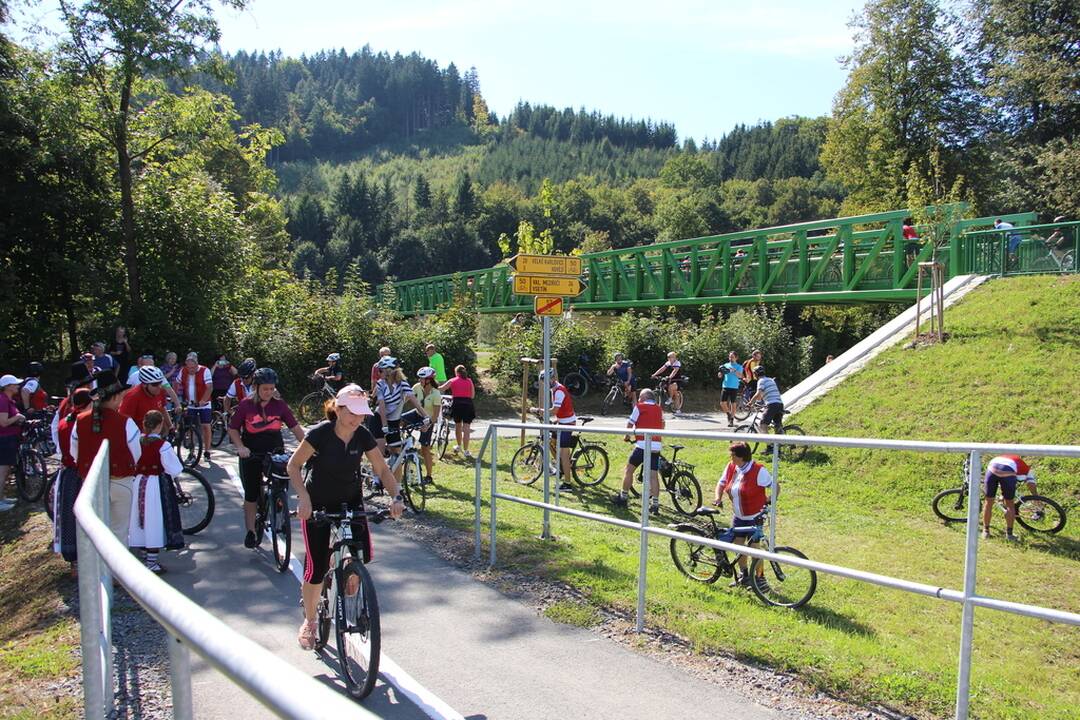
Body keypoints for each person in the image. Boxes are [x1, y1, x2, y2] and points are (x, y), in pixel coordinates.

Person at [287, 385, 405, 650]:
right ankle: (309, 620)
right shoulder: (320, 434)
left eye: (361, 413)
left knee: (358, 565)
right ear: (338, 409)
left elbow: (383, 470)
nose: (356, 419)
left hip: (349, 500)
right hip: (317, 503)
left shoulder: (362, 435)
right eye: (351, 412)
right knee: (316, 569)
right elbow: (293, 465)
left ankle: (348, 567)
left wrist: (396, 497)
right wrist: (303, 498)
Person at [228, 367, 305, 549]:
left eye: (271, 389)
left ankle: (279, 505)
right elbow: (233, 428)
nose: (269, 392)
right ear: (256, 387)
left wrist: (307, 447)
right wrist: (240, 447)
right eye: (265, 389)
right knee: (252, 493)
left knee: (281, 483)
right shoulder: (246, 405)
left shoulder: (279, 405)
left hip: (274, 450)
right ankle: (250, 531)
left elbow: (295, 427)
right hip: (252, 451)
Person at [71, 370, 142, 544]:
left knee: (94, 533)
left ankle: (96, 570)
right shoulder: (126, 422)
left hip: (91, 483)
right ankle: (117, 570)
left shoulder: (80, 421)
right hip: (120, 481)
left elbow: (75, 453)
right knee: (119, 531)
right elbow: (136, 453)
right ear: (117, 396)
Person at [129, 410, 185, 573]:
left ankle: (143, 552)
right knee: (154, 519)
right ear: (160, 425)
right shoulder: (163, 446)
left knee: (139, 517)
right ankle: (151, 562)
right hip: (155, 485)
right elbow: (174, 468)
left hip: (138, 482)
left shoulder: (137, 441)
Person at [713, 441, 775, 588]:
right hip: (739, 516)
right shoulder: (731, 467)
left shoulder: (758, 470)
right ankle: (744, 575)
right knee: (739, 547)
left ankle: (760, 579)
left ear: (741, 457)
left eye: (732, 455)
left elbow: (775, 486)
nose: (730, 457)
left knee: (754, 549)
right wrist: (718, 497)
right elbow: (721, 483)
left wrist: (769, 501)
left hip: (754, 517)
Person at [53, 388, 93, 571]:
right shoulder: (84, 422)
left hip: (69, 473)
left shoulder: (63, 421)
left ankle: (74, 563)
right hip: (82, 472)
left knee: (70, 516)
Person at [611, 388, 664, 513]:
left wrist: (627, 436)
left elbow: (630, 424)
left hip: (642, 445)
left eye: (640, 397)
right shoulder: (659, 408)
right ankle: (655, 505)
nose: (639, 399)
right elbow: (662, 424)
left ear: (644, 398)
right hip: (655, 446)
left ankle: (623, 497)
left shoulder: (639, 407)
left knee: (629, 470)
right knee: (653, 475)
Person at [374, 359, 429, 475]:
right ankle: (376, 479)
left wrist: (425, 416)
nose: (379, 373)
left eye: (380, 371)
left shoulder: (402, 383)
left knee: (397, 452)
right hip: (379, 418)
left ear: (389, 371)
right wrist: (384, 425)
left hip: (393, 419)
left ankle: (398, 487)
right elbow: (382, 406)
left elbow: (414, 400)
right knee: (379, 451)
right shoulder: (380, 384)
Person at [530, 370, 576, 491]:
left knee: (564, 454)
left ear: (552, 378)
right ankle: (561, 468)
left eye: (546, 380)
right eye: (543, 381)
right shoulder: (554, 389)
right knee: (549, 440)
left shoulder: (559, 391)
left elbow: (554, 410)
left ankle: (567, 483)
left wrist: (539, 410)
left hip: (567, 424)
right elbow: (558, 411)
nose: (545, 383)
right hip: (562, 421)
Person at [981, 455, 1037, 541]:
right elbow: (1031, 484)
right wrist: (1036, 498)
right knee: (1010, 504)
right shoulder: (1026, 468)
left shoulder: (1007, 456)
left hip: (992, 467)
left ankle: (986, 531)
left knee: (988, 502)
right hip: (1008, 472)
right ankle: (1009, 534)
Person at [178, 352, 213, 463]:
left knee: (206, 426)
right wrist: (177, 396)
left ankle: (207, 451)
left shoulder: (205, 370)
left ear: (197, 365)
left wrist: (203, 400)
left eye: (193, 367)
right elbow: (177, 382)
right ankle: (192, 452)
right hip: (190, 404)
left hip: (204, 404)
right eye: (189, 368)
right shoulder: (183, 371)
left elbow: (209, 387)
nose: (191, 370)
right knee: (190, 428)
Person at [0, 374, 27, 512]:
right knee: (2, 471)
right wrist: (17, 417)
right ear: (8, 386)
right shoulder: (3, 401)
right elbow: (3, 422)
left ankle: (2, 497)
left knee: (6, 470)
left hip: (10, 438)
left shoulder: (9, 400)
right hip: (5, 439)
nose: (18, 386)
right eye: (15, 384)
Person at [119, 365, 174, 432]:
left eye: (160, 383)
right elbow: (123, 422)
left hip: (156, 433)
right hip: (139, 436)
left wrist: (171, 427)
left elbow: (162, 408)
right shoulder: (132, 397)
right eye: (155, 384)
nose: (159, 386)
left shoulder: (160, 391)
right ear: (144, 384)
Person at [412, 367, 442, 485]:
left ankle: (429, 476)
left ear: (429, 380)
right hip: (416, 414)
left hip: (428, 420)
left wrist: (428, 426)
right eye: (419, 378)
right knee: (399, 420)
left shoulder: (435, 393)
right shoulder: (416, 387)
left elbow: (435, 415)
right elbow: (404, 399)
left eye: (422, 378)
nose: (420, 380)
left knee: (425, 450)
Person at [438, 365, 475, 459]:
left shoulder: (453, 380)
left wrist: (432, 386)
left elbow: (442, 389)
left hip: (457, 404)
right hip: (468, 404)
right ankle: (466, 450)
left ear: (456, 372)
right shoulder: (469, 381)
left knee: (458, 425)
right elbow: (472, 395)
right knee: (466, 428)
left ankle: (459, 445)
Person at [748, 366, 784, 446]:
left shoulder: (761, 381)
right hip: (779, 404)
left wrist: (750, 403)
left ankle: (770, 447)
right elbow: (762, 396)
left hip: (772, 404)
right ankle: (780, 446)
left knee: (762, 425)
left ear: (756, 374)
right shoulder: (770, 380)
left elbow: (758, 394)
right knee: (777, 426)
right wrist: (759, 403)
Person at [650, 351, 685, 416]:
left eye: (670, 357)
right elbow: (662, 369)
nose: (669, 358)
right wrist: (654, 374)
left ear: (674, 357)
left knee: (672, 388)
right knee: (667, 387)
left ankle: (671, 399)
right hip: (670, 379)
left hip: (677, 380)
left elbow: (674, 371)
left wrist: (669, 377)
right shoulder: (668, 363)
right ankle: (673, 404)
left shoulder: (677, 363)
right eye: (668, 357)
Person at [717, 351, 743, 425]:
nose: (730, 358)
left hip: (734, 387)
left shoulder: (739, 366)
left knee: (733, 403)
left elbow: (740, 376)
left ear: (736, 358)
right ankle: (728, 414)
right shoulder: (726, 365)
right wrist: (720, 374)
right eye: (729, 357)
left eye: (732, 357)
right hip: (725, 386)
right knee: (722, 403)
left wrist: (734, 370)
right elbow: (721, 374)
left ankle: (731, 419)